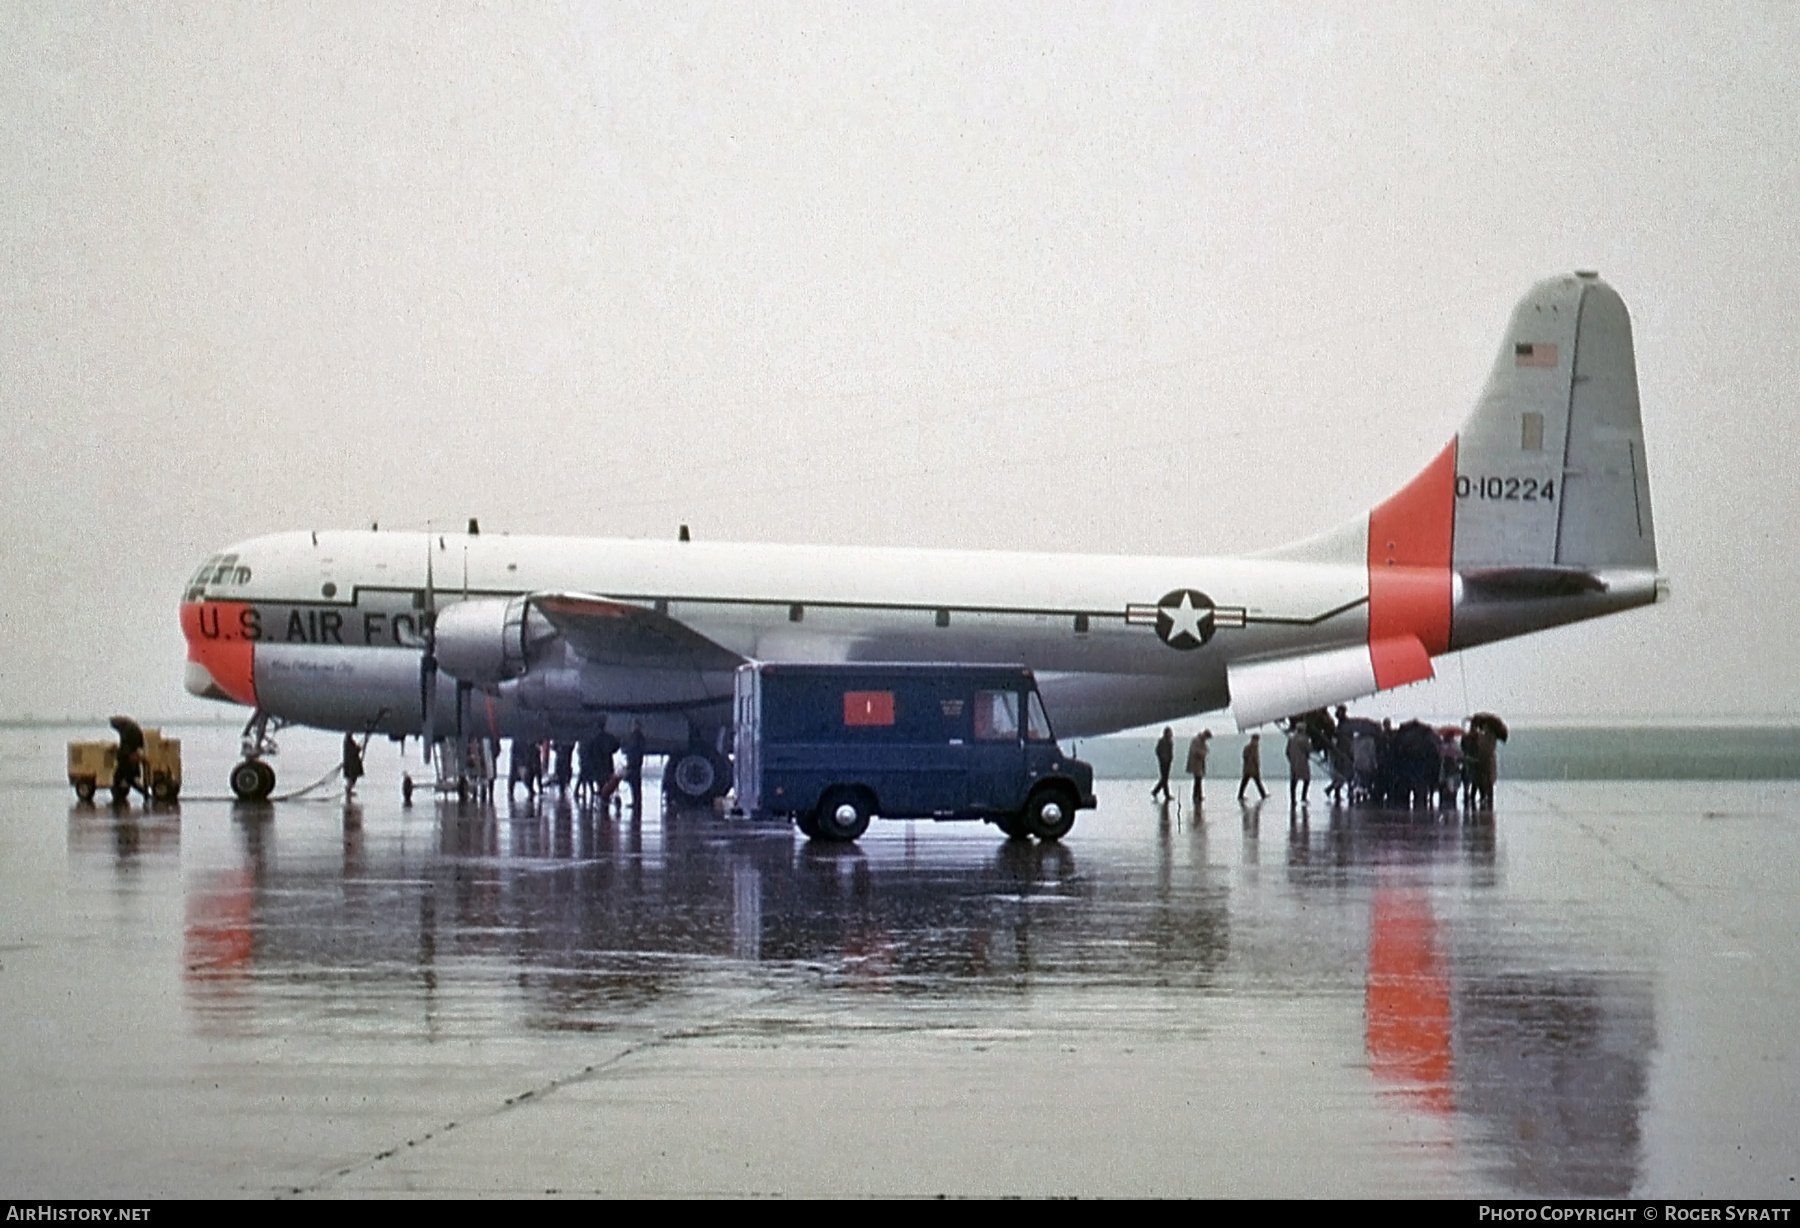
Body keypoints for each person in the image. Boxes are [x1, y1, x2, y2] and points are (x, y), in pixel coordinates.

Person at [109, 715, 149, 804]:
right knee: (124, 779)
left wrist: (118, 752)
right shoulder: (131, 728)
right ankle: (144, 794)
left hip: (126, 761)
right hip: (129, 758)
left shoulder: (127, 730)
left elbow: (125, 748)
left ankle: (145, 794)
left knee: (127, 779)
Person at [1286, 724, 1312, 807]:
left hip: (1293, 763)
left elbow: (1287, 751)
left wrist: (1291, 759)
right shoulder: (1305, 739)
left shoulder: (1291, 738)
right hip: (1303, 762)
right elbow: (1309, 749)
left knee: (1293, 781)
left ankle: (1293, 799)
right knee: (1306, 779)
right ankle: (1303, 797)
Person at [623, 721, 646, 812]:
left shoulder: (635, 737)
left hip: (633, 763)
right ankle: (637, 802)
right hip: (636, 763)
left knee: (634, 784)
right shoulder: (640, 737)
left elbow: (631, 749)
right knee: (636, 784)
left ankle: (636, 803)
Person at [1186, 729, 1212, 807]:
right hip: (1195, 763)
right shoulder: (1196, 741)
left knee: (1198, 779)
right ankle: (1196, 796)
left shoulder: (1201, 741)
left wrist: (1204, 752)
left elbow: (1205, 750)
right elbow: (1195, 751)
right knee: (1197, 779)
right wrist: (1202, 753)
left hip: (1199, 763)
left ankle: (1198, 795)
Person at [1239, 733, 1267, 800]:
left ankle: (1240, 795)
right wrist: (1256, 767)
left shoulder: (1252, 748)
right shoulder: (1251, 748)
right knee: (1255, 782)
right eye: (1256, 740)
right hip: (1251, 769)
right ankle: (1263, 795)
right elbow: (1253, 759)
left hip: (1249, 769)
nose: (1257, 742)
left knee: (1250, 782)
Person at [1151, 727, 1175, 800]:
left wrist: (1170, 758)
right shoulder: (1162, 741)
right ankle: (1162, 793)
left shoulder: (1170, 742)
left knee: (1164, 778)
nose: (1171, 734)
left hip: (1168, 762)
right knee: (1164, 779)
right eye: (1169, 732)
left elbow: (1170, 752)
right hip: (1163, 762)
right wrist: (1162, 758)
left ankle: (1157, 792)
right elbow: (1157, 750)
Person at [342, 731, 365, 800]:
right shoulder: (349, 743)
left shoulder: (348, 742)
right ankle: (348, 790)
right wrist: (358, 749)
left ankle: (349, 790)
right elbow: (353, 752)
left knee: (352, 778)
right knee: (352, 778)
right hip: (352, 763)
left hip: (351, 762)